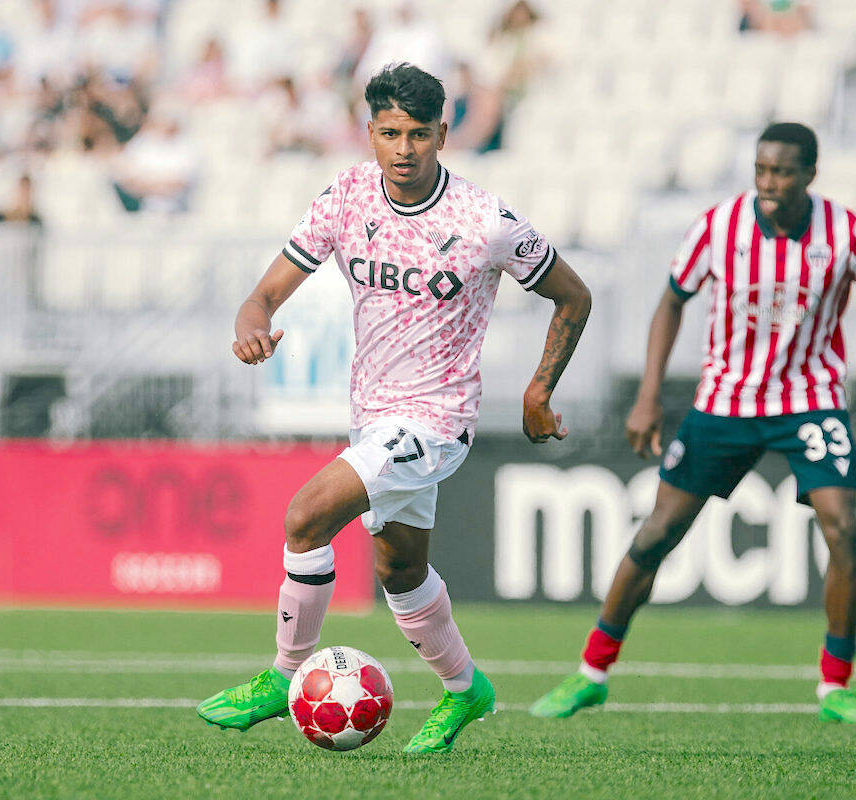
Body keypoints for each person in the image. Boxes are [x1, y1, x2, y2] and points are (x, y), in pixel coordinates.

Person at [196, 63, 592, 753]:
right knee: (400, 572)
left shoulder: (485, 221)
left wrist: (538, 390)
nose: (403, 149)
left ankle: (282, 676)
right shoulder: (347, 196)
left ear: (443, 132)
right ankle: (468, 691)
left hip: (437, 420)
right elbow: (264, 292)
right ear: (369, 132)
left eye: (417, 134)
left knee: (305, 516)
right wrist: (252, 321)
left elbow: (574, 295)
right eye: (388, 133)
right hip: (373, 414)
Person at [530, 123, 856, 725]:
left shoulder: (848, 235)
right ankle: (591, 673)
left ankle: (836, 685)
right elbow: (672, 300)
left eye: (782, 171)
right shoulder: (719, 227)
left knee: (843, 529)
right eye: (761, 169)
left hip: (809, 400)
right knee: (658, 533)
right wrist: (649, 395)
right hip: (725, 402)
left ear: (810, 174)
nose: (768, 182)